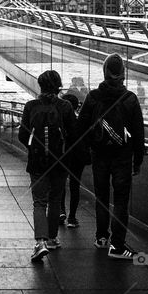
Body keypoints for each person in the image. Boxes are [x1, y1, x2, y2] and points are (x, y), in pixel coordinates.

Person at [77, 54, 145, 259]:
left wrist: (87, 150)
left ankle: (101, 238)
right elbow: (138, 132)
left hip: (99, 154)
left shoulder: (93, 97)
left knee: (102, 197)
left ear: (104, 71)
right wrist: (138, 159)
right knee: (121, 200)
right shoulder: (130, 99)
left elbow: (81, 127)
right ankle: (117, 246)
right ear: (123, 73)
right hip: (122, 156)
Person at [19, 70, 76, 261]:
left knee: (39, 201)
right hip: (60, 162)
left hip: (37, 161)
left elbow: (22, 135)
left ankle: (40, 242)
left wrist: (33, 148)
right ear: (58, 86)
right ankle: (52, 239)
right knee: (55, 199)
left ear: (40, 86)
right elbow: (74, 135)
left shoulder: (31, 106)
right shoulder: (66, 106)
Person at [58, 93, 89, 228]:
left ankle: (61, 211)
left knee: (60, 184)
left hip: (62, 155)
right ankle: (72, 218)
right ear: (77, 106)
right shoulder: (80, 122)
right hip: (77, 157)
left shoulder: (59, 121)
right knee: (75, 186)